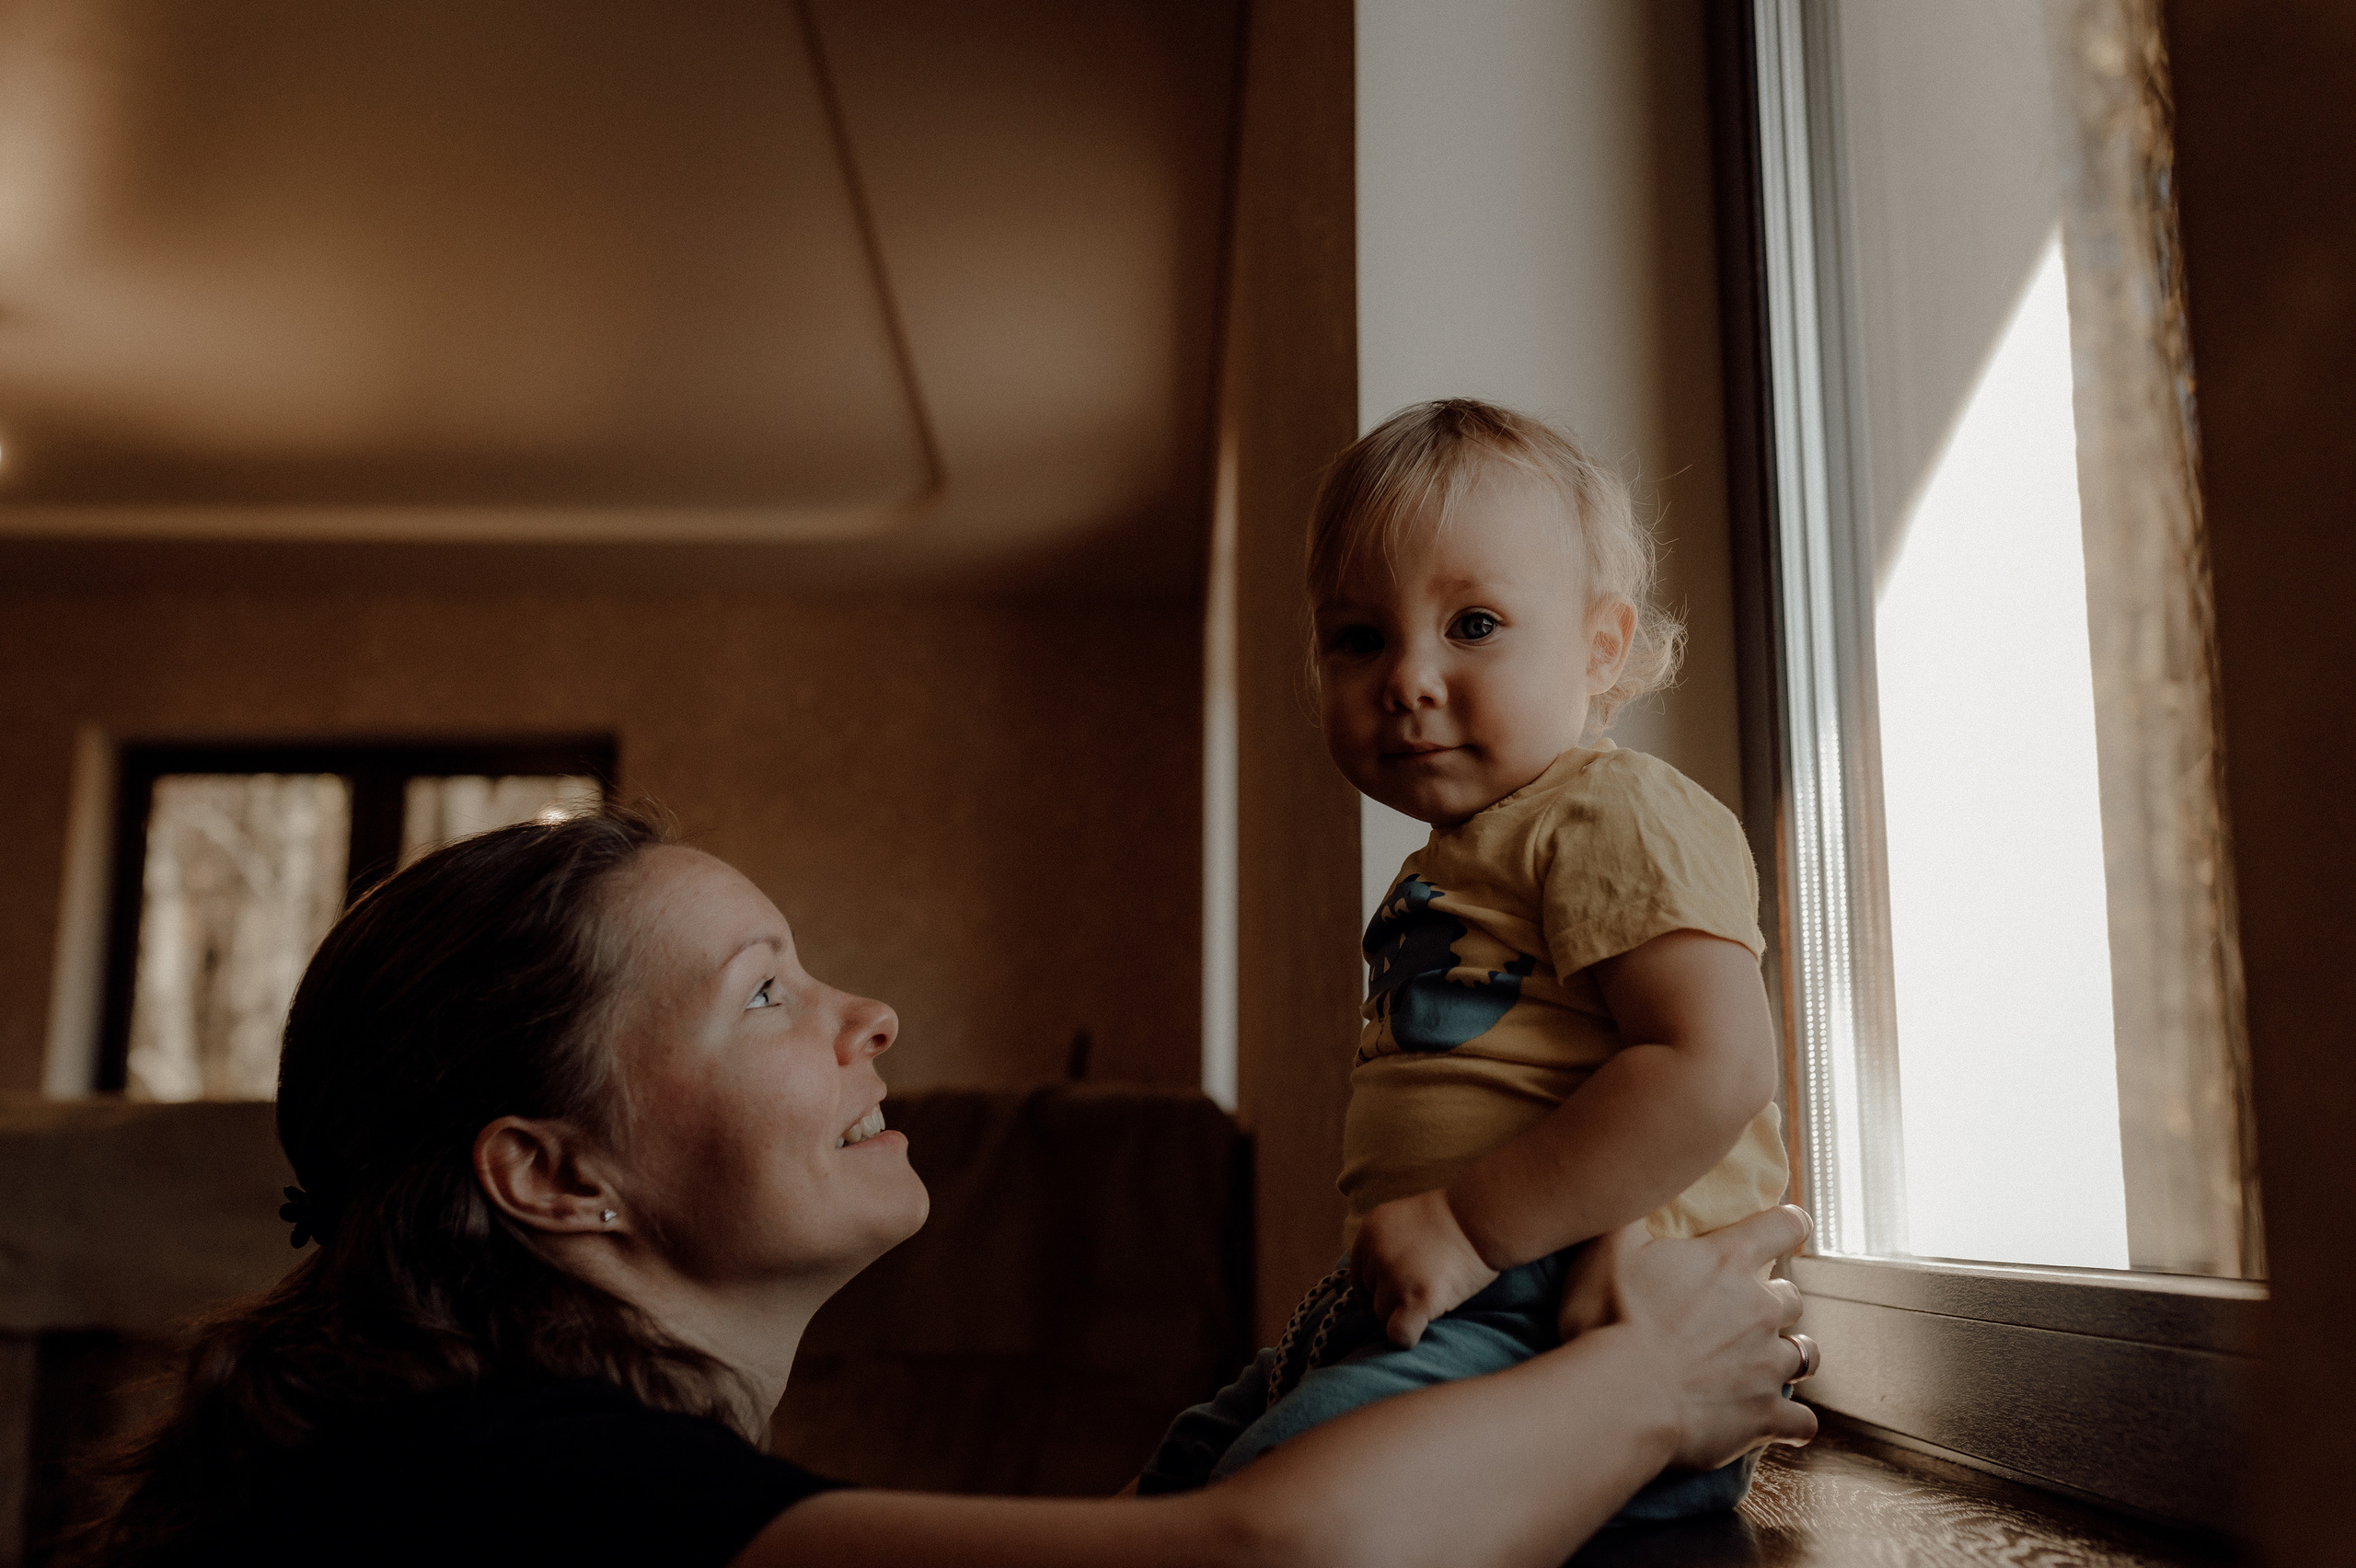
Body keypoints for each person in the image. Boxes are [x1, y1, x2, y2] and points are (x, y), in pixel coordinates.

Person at [89, 806, 1818, 1568]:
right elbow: (1277, 1561)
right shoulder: (493, 1487)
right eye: (765, 990)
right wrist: (1652, 1380)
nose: (870, 1014)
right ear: (553, 1171)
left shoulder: (472, 1454)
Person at [1142, 399, 1792, 1519]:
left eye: (1474, 625)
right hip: (1441, 1298)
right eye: (1359, 638)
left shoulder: (1612, 811)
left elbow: (1715, 1065)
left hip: (1572, 1312)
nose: (1407, 678)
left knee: (1280, 1492)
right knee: (1183, 1472)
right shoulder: (1452, 861)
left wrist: (1467, 1226)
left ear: (1601, 646)